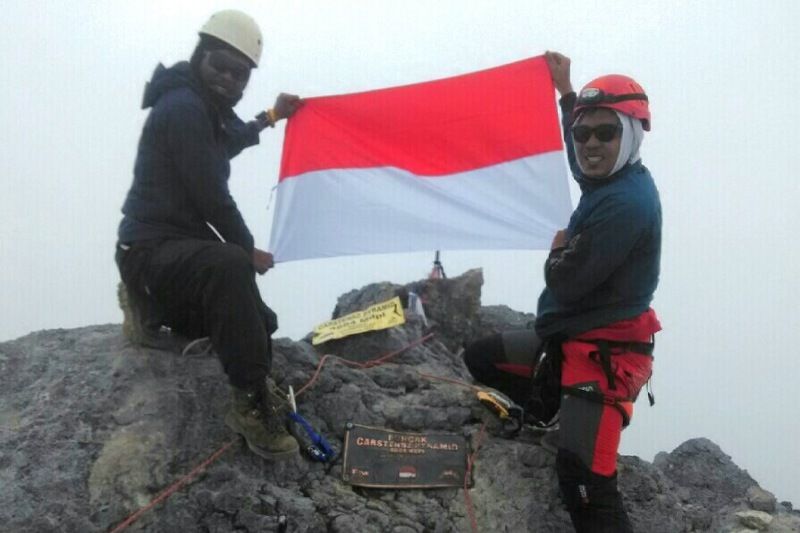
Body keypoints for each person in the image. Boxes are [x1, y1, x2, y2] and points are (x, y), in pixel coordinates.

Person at [464, 51, 662, 532]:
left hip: (603, 356)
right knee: (481, 358)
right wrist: (566, 93)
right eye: (582, 132)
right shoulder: (611, 179)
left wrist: (557, 252)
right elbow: (581, 162)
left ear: (632, 134)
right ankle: (554, 408)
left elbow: (566, 280)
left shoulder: (626, 205)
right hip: (566, 338)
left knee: (584, 482)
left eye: (606, 132)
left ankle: (571, 414)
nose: (590, 144)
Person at [115, 10, 301, 460]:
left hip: (174, 250)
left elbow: (231, 136)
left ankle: (148, 308)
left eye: (239, 74)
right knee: (231, 267)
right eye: (221, 65)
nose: (229, 79)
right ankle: (249, 406)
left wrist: (273, 115)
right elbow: (211, 199)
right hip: (148, 250)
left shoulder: (206, 106)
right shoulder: (182, 109)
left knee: (260, 325)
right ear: (200, 57)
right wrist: (248, 249)